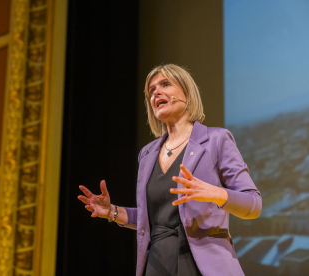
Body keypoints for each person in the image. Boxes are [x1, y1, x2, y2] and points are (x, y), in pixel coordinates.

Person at [78, 64, 262, 276]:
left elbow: (254, 204)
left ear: (187, 92)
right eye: (151, 90)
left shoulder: (216, 140)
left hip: (203, 265)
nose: (156, 92)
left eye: (165, 84)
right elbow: (153, 220)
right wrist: (112, 212)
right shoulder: (147, 154)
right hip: (156, 264)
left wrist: (215, 193)